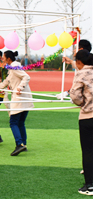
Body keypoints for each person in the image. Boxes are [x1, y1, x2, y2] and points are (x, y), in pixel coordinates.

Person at [0, 50, 34, 156]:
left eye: (4, 57)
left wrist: (20, 87)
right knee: (20, 123)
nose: (2, 59)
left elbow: (26, 77)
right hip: (24, 99)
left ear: (9, 59)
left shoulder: (14, 67)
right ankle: (23, 144)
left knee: (13, 122)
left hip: (20, 98)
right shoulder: (12, 69)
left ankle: (19, 144)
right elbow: (6, 81)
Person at [69, 50, 93, 196]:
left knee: (88, 151)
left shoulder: (81, 73)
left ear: (79, 62)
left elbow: (75, 95)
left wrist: (82, 102)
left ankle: (90, 185)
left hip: (88, 117)